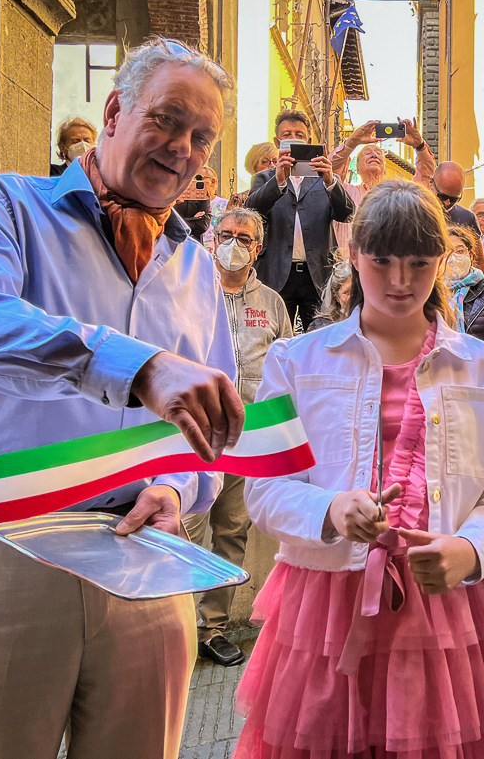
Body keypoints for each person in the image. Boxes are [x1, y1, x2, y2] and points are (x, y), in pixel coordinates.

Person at [0, 37, 245, 759]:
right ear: (113, 110)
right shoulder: (4, 204)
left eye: (202, 138)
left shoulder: (197, 267)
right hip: (2, 545)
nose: (183, 148)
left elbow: (211, 437)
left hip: (147, 558)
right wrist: (137, 367)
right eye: (168, 120)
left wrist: (177, 488)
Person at [234, 180, 484, 759]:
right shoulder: (295, 360)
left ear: (443, 261)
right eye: (382, 261)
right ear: (352, 255)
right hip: (324, 603)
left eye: (419, 264)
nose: (399, 281)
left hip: (447, 597)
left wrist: (471, 550)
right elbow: (263, 488)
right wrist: (329, 508)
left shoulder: (481, 365)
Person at [184, 207, 292, 668]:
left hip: (246, 437)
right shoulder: (187, 292)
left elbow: (287, 366)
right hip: (191, 435)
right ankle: (174, 629)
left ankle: (212, 628)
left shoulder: (271, 302)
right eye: (225, 234)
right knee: (183, 528)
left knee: (231, 531)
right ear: (211, 238)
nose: (233, 243)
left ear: (258, 248)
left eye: (244, 238)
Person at [247, 109, 355, 330]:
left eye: (299, 134)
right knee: (276, 336)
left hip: (317, 274)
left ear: (308, 140)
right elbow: (252, 212)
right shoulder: (263, 178)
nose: (293, 138)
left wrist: (330, 181)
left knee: (319, 337)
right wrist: (278, 181)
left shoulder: (324, 177)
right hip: (276, 272)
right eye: (287, 134)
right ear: (278, 141)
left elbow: (347, 213)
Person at [328, 117, 437, 249]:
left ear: (385, 168)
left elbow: (427, 178)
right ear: (357, 168)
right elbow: (329, 171)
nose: (374, 155)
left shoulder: (399, 197)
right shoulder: (345, 193)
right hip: (349, 267)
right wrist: (353, 142)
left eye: (379, 153)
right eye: (367, 153)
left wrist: (420, 146)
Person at [445, 224, 484, 340]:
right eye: (446, 252)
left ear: (470, 255)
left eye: (459, 251)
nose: (454, 257)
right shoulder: (430, 295)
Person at [306, 255, 353, 332]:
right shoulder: (320, 327)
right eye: (346, 292)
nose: (352, 297)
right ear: (337, 297)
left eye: (356, 291)